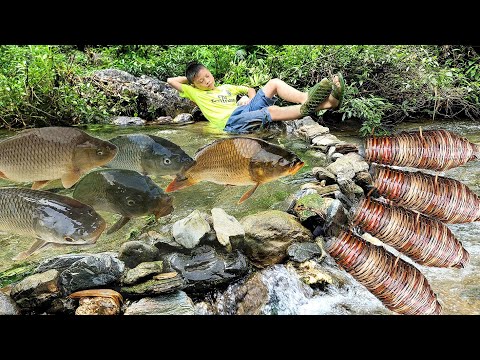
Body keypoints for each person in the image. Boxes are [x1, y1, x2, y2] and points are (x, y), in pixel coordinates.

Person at [167, 62, 345, 134]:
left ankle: (306, 98)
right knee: (271, 111)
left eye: (207, 75)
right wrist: (191, 80)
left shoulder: (226, 87)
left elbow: (250, 89)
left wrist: (248, 99)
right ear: (194, 84)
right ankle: (328, 104)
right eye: (201, 81)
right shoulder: (195, 92)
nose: (207, 81)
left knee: (273, 83)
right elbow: (170, 80)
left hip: (243, 110)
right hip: (230, 122)